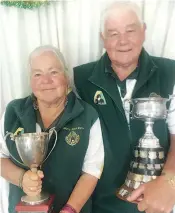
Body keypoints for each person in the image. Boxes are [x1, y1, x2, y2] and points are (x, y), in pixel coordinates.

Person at [74, 2, 175, 213]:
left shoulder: (171, 73)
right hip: (100, 205)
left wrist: (170, 181)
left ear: (143, 31)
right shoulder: (80, 80)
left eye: (130, 31)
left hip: (159, 204)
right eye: (113, 34)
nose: (123, 41)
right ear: (103, 39)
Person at [0, 45, 104, 213]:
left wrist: (70, 209)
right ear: (30, 80)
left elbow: (91, 171)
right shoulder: (13, 112)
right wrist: (21, 179)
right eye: (37, 74)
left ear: (66, 76)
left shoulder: (87, 115)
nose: (46, 81)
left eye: (53, 72)